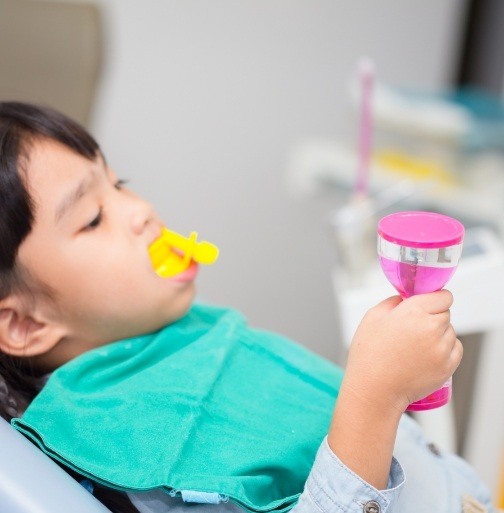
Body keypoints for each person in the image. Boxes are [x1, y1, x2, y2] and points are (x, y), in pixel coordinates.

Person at [0, 101, 495, 513]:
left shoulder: (175, 336)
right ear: (24, 323)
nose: (140, 210)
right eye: (93, 218)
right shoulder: (125, 445)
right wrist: (375, 397)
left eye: (119, 182)